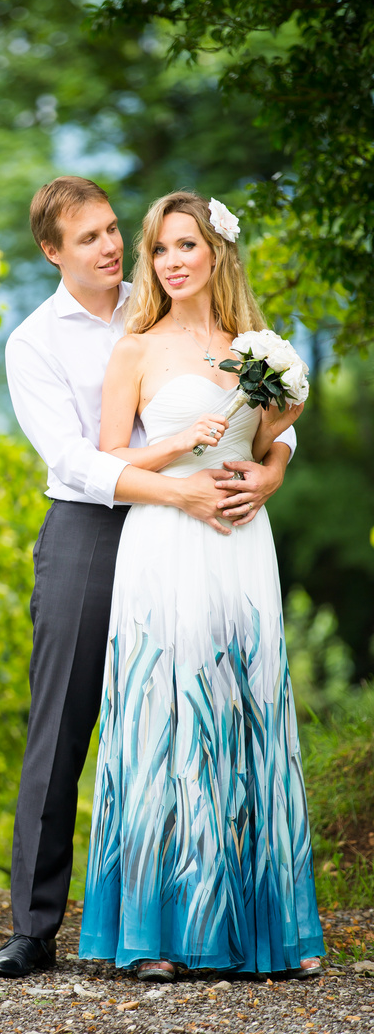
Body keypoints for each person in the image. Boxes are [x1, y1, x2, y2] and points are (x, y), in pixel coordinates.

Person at [0, 177, 297, 979]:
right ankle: (34, 924)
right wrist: (178, 490)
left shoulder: (159, 294)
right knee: (65, 721)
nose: (113, 246)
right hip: (95, 524)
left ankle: (211, 904)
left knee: (197, 708)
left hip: (200, 526)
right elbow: (77, 460)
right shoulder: (34, 341)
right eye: (88, 237)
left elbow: (251, 413)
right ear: (53, 252)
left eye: (115, 229)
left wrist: (275, 467)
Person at [78, 190, 324, 981]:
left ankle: (263, 929)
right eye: (160, 249)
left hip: (243, 546)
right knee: (168, 713)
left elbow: (275, 440)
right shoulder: (136, 349)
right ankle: (158, 933)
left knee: (243, 710)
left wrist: (273, 477)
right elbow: (109, 465)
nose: (173, 261)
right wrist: (180, 440)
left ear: (217, 253)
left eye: (187, 245)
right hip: (164, 547)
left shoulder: (257, 350)